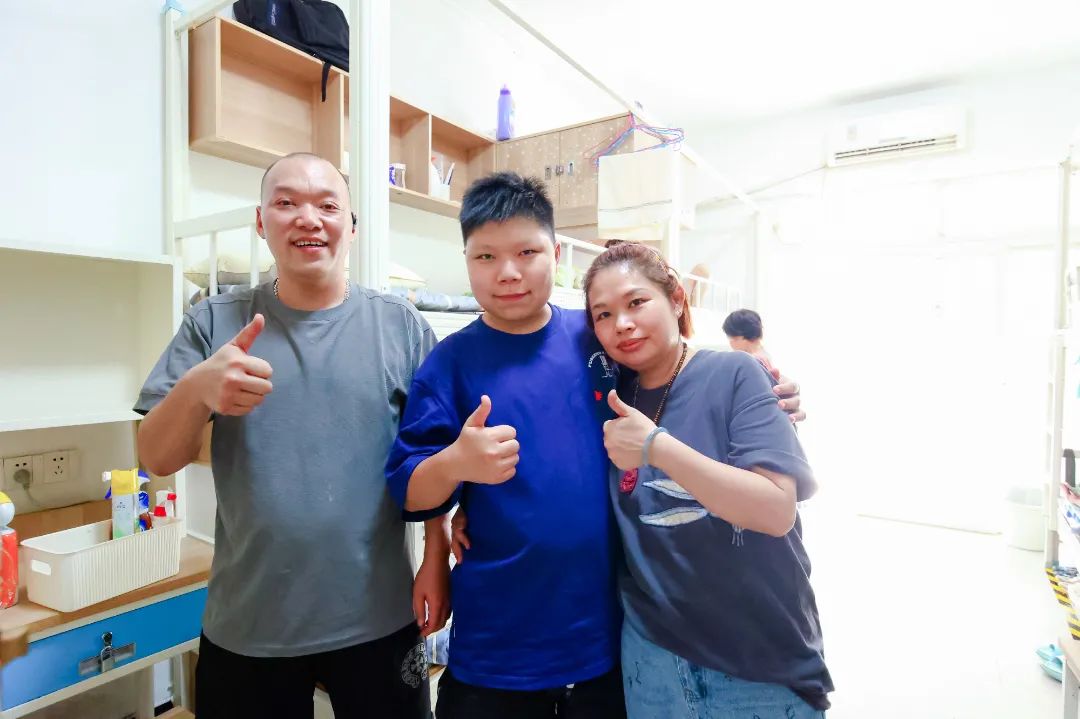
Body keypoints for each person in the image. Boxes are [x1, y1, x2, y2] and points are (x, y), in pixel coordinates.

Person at [386, 173, 806, 719]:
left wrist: (763, 391)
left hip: (608, 640)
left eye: (527, 252)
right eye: (485, 256)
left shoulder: (597, 337)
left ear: (556, 254)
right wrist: (455, 467)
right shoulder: (449, 363)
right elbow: (410, 491)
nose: (508, 272)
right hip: (497, 642)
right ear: (466, 260)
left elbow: (673, 375)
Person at [135, 152, 449, 719]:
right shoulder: (213, 322)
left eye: (328, 205)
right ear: (261, 222)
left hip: (377, 614)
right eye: (286, 203)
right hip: (250, 621)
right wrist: (197, 389)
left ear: (351, 226)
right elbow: (156, 457)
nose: (308, 218)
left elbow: (432, 454)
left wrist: (436, 555)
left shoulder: (399, 326)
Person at [586, 242, 832, 717]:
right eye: (603, 314)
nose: (622, 323)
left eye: (637, 302)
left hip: (757, 658)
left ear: (677, 298)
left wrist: (656, 447)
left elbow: (775, 511)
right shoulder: (608, 396)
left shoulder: (735, 373)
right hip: (651, 657)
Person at [723, 307, 776, 374]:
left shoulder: (747, 362)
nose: (730, 343)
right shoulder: (765, 357)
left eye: (731, 338)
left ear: (741, 337)